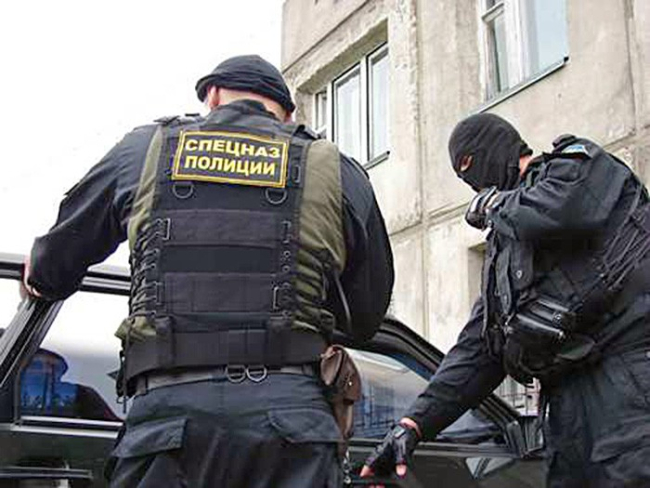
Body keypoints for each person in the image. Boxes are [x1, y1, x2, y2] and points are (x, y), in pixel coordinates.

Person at [22, 54, 394, 488]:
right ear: (287, 114)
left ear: (213, 96)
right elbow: (367, 314)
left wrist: (41, 275)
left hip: (168, 423)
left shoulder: (144, 150)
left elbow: (56, 262)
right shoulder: (334, 167)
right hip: (293, 425)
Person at [362, 113, 650, 488]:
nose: (470, 181)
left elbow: (569, 208)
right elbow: (478, 350)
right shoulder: (503, 252)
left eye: (469, 164)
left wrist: (496, 205)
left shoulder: (574, 166)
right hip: (565, 411)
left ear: (496, 146)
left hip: (629, 383)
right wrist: (413, 424)